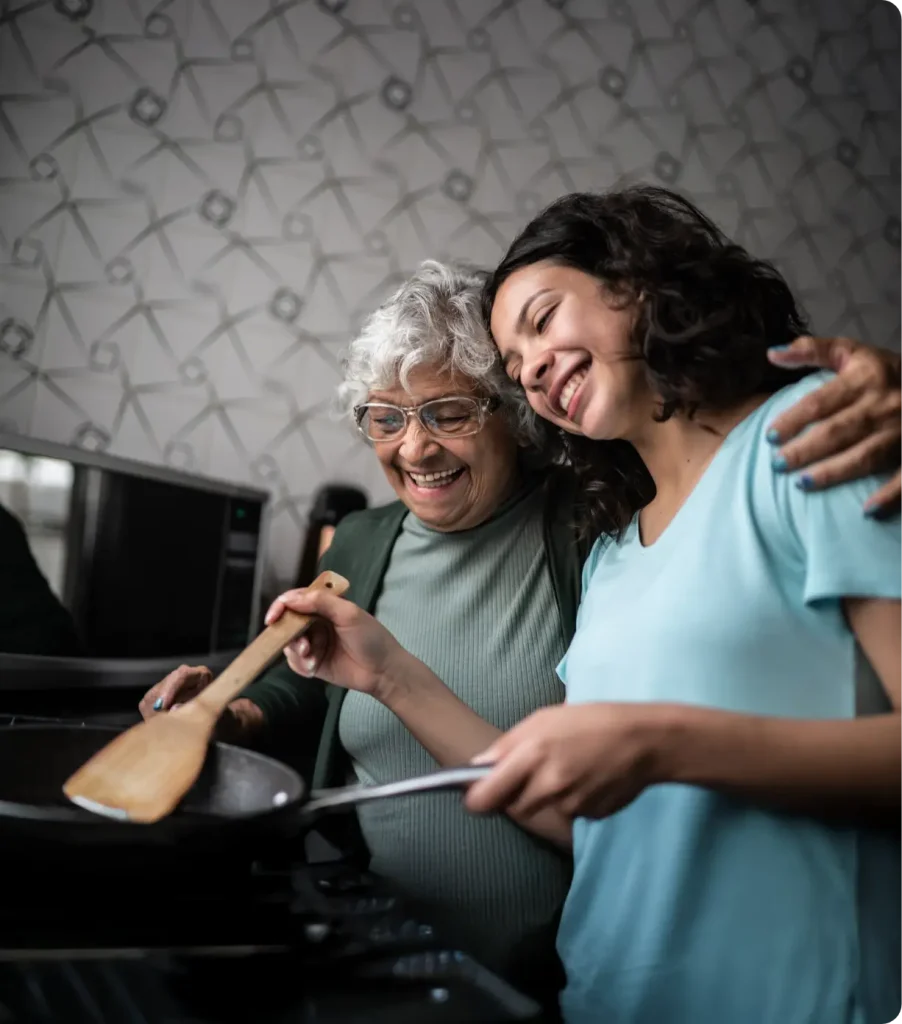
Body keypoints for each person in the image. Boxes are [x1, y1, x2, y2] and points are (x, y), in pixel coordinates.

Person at [142, 260, 902, 1010]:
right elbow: (313, 678)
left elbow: (719, 448)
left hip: (554, 966)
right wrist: (234, 708)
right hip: (399, 953)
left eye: (449, 412)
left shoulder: (599, 524)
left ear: (517, 411)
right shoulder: (359, 542)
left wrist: (881, 381)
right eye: (387, 416)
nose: (415, 447)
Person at [457, 184, 902, 1023]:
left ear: (634, 281)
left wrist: (664, 742)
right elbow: (608, 820)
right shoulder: (612, 558)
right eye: (516, 368)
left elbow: (653, 754)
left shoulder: (812, 435)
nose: (533, 370)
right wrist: (388, 677)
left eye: (544, 320)